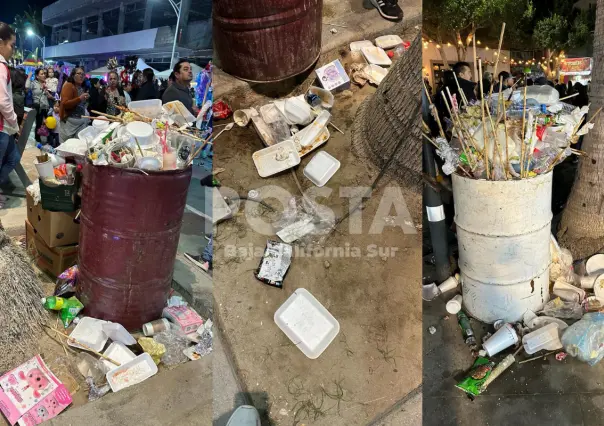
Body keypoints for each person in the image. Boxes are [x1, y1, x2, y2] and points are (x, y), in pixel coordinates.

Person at [0, 23, 19, 206]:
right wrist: (14, 122)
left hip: (4, 126)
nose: (13, 50)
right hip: (1, 126)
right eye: (11, 45)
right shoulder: (0, 66)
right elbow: (3, 101)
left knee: (14, 158)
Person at [59, 67, 90, 143]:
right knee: (67, 148)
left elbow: (79, 103)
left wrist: (84, 99)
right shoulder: (69, 85)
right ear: (73, 75)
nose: (81, 76)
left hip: (79, 123)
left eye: (83, 74)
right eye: (79, 73)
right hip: (69, 125)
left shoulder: (80, 87)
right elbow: (65, 104)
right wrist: (80, 98)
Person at [30, 68, 54, 142]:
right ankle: (38, 141)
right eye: (42, 74)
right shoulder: (33, 83)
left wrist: (47, 91)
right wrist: (28, 77)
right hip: (38, 107)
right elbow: (27, 87)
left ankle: (50, 141)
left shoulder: (47, 83)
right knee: (38, 125)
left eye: (44, 73)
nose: (44, 75)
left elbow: (51, 96)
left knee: (50, 124)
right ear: (37, 76)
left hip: (46, 107)